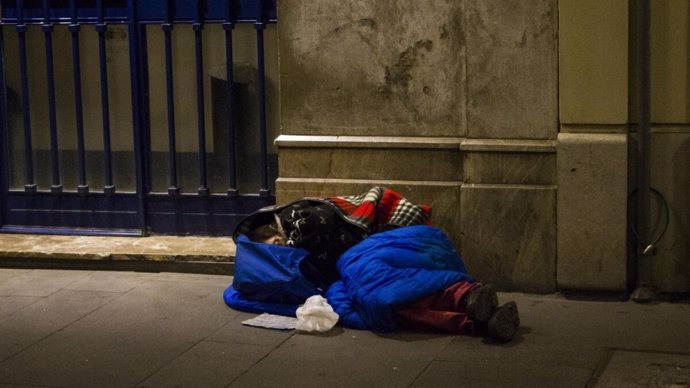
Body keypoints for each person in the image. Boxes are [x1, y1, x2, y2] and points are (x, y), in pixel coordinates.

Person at [229, 187, 520, 342]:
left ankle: (464, 299)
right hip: (358, 262)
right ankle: (478, 318)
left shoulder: (299, 217)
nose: (285, 252)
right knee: (382, 303)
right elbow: (237, 294)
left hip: (382, 242)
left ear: (273, 230)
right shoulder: (290, 272)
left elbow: (333, 230)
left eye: (279, 245)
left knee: (377, 290)